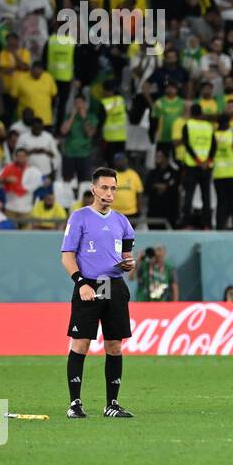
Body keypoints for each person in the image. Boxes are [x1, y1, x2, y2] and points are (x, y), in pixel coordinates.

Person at [60, 167, 137, 418]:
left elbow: (126, 257)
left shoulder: (123, 222)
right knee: (81, 343)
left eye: (113, 188)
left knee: (114, 345)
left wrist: (130, 264)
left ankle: (111, 405)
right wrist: (80, 283)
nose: (109, 192)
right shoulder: (79, 217)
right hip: (89, 284)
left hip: (114, 286)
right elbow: (67, 256)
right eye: (104, 187)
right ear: (93, 189)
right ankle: (75, 404)